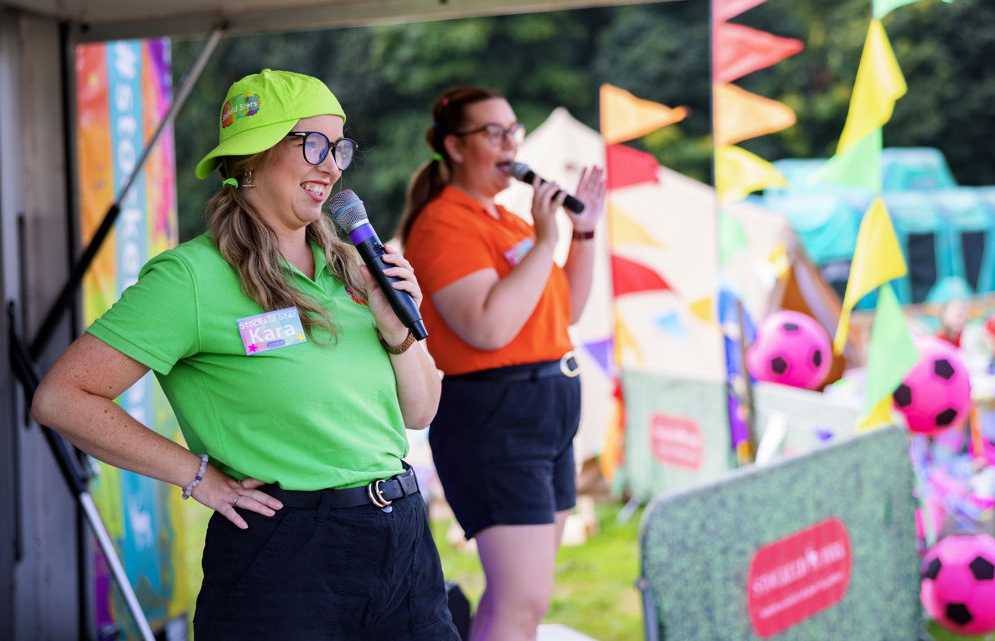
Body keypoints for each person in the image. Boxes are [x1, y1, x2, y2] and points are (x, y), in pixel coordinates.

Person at [32, 70, 461, 641]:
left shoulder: (355, 268)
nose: (331, 165)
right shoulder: (190, 276)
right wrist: (197, 476)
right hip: (287, 551)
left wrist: (396, 329)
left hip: (400, 534)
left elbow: (421, 411)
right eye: (312, 143)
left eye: (339, 148)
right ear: (253, 156)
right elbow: (63, 397)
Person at [398, 86, 605, 641]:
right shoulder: (444, 224)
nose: (511, 143)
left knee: (524, 602)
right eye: (494, 132)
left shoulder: (507, 220)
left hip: (546, 411)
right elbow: (486, 328)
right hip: (496, 416)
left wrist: (580, 234)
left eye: (514, 129)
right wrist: (545, 242)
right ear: (454, 146)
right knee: (521, 599)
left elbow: (571, 308)